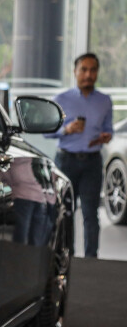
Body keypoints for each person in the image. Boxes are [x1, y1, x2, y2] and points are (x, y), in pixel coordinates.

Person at [48, 52, 113, 258]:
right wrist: (66, 130)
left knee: (90, 214)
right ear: (75, 72)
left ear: (97, 73)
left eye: (93, 70)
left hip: (92, 162)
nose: (88, 74)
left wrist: (106, 136)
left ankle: (91, 259)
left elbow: (108, 128)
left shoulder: (105, 101)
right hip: (66, 161)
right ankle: (67, 256)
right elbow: (47, 131)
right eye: (83, 70)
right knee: (65, 213)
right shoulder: (61, 99)